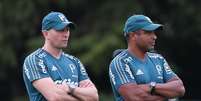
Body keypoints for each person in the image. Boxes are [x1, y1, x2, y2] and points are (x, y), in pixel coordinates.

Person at [23, 11, 99, 101]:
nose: (66, 34)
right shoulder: (35, 59)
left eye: (67, 30)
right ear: (45, 34)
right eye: (60, 30)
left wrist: (71, 89)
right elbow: (55, 97)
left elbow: (94, 96)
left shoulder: (75, 61)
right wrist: (82, 96)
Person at [109, 14, 185, 101]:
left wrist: (151, 87)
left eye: (154, 33)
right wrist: (167, 95)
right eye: (148, 32)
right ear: (133, 35)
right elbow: (135, 97)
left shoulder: (158, 59)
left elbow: (179, 88)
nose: (154, 37)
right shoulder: (120, 62)